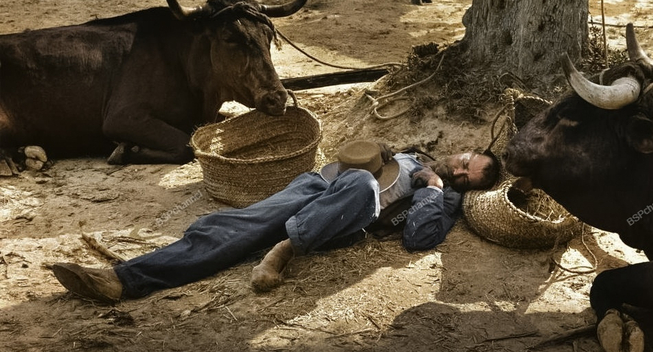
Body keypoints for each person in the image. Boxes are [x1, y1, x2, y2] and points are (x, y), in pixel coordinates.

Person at [52, 140, 499, 303]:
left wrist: (433, 190)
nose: (458, 171)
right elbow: (351, 159)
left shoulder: (444, 198)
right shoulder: (413, 153)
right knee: (238, 227)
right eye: (464, 161)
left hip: (340, 219)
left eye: (466, 178)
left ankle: (285, 248)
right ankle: (122, 280)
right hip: (315, 186)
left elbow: (419, 240)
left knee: (363, 185)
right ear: (462, 150)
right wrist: (380, 152)